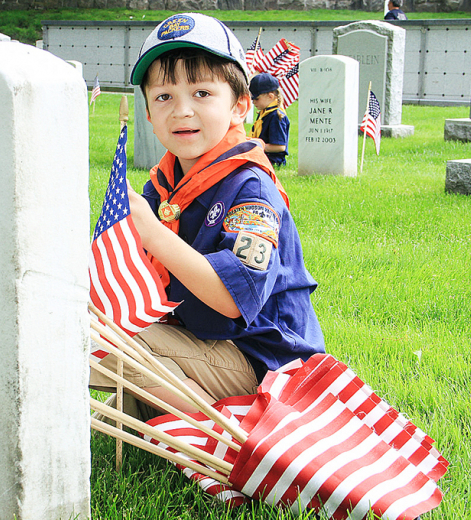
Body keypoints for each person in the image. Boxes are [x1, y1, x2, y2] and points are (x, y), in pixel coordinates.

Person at [90, 13, 324, 420]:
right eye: (164, 97)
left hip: (264, 364)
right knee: (90, 323)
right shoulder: (166, 181)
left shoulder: (252, 188)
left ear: (240, 106)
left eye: (201, 93)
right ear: (148, 113)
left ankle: (233, 431)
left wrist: (149, 231)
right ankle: (152, 405)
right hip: (199, 339)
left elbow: (233, 301)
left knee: (100, 339)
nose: (182, 111)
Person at [249, 72, 290, 167]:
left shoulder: (276, 116)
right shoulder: (264, 112)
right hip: (262, 157)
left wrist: (256, 145)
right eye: (252, 99)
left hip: (272, 160)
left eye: (256, 98)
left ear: (270, 96)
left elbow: (280, 147)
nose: (253, 102)